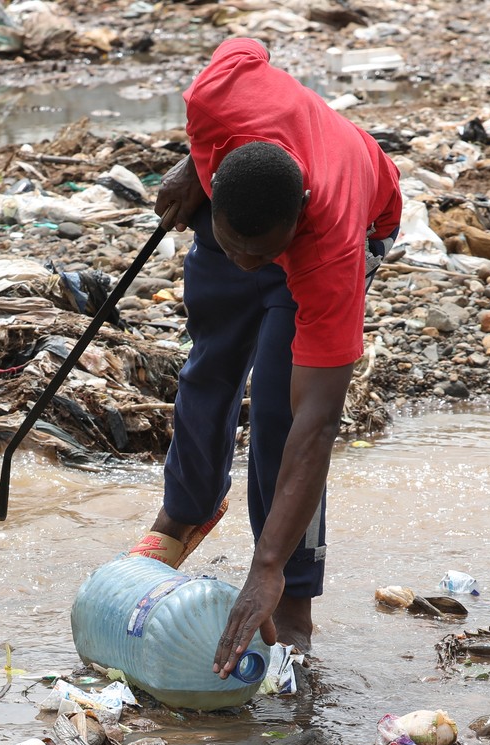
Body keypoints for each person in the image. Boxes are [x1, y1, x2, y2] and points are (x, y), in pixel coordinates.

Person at [126, 37, 402, 679]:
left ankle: (296, 600)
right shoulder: (214, 99)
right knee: (210, 365)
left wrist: (266, 568)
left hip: (353, 219)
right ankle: (188, 508)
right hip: (249, 198)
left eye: (261, 255)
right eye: (237, 249)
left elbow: (318, 424)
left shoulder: (326, 249)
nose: (251, 265)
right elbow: (246, 45)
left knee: (280, 411)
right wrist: (196, 165)